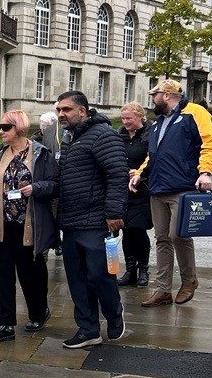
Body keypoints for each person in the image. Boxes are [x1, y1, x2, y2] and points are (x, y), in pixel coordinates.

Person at [0, 109, 59, 344]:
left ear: (19, 128)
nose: (0, 131)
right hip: (2, 225)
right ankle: (4, 323)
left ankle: (39, 312)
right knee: (3, 276)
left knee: (31, 275)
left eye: (5, 127)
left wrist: (37, 188)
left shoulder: (41, 154)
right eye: (0, 127)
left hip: (30, 226)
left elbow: (55, 185)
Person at [130, 79, 212, 307]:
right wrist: (140, 173)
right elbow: (153, 155)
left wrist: (205, 172)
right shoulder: (158, 123)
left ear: (166, 95)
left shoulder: (195, 113)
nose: (152, 99)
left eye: (155, 95)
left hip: (183, 186)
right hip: (157, 187)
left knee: (178, 235)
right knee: (162, 238)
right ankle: (163, 290)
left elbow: (208, 144)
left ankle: (189, 281)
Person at [55, 91, 128, 349]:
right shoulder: (69, 139)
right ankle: (88, 330)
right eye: (58, 110)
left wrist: (114, 213)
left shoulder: (103, 135)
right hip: (71, 222)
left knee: (101, 275)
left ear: (82, 111)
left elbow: (117, 174)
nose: (61, 114)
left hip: (98, 223)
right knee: (77, 280)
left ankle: (114, 314)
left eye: (66, 109)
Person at [117, 102, 153, 287]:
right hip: (123, 190)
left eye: (129, 118)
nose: (125, 122)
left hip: (142, 190)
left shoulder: (150, 134)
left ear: (140, 116)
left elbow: (155, 159)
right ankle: (130, 269)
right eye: (123, 118)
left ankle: (143, 269)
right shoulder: (119, 135)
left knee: (138, 229)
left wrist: (141, 173)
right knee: (126, 230)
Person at [36, 111, 63, 256]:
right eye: (42, 125)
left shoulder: (59, 137)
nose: (43, 128)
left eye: (46, 126)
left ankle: (56, 241)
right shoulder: (36, 140)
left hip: (56, 183)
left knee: (55, 214)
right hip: (43, 184)